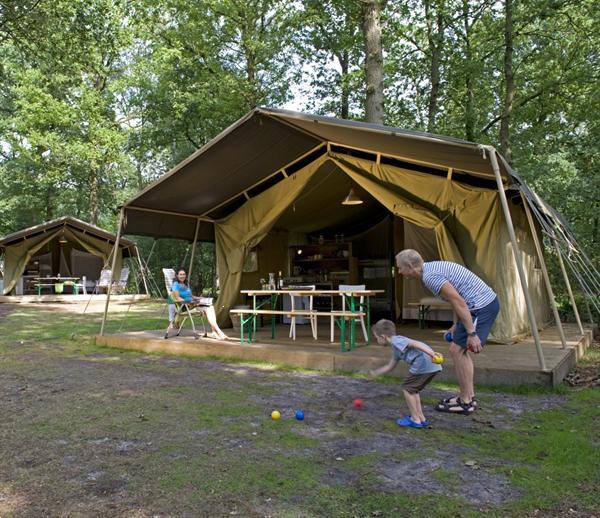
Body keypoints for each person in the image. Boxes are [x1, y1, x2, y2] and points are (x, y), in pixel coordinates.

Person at [395, 249, 500, 415]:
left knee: (457, 350)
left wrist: (472, 334)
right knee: (459, 351)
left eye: (400, 268)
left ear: (409, 266)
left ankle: (465, 402)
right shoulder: (430, 269)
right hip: (473, 306)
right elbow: (457, 298)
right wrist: (455, 325)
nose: (399, 271)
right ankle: (468, 396)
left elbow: (459, 301)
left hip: (481, 307)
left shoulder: (430, 276)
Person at [369, 319, 442, 428]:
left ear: (383, 337)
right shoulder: (396, 348)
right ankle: (421, 418)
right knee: (413, 389)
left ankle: (415, 419)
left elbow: (415, 343)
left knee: (407, 389)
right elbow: (390, 366)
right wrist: (376, 372)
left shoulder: (396, 341)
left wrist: (432, 353)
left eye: (376, 338)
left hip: (424, 362)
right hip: (431, 365)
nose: (377, 341)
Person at [169, 268, 229, 340]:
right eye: (180, 274)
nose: (182, 276)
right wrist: (189, 302)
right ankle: (219, 332)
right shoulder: (175, 285)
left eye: (184, 274)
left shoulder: (185, 285)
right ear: (177, 275)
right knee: (208, 308)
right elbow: (178, 298)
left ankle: (214, 332)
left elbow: (191, 296)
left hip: (194, 304)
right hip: (185, 306)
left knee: (210, 307)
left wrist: (200, 298)